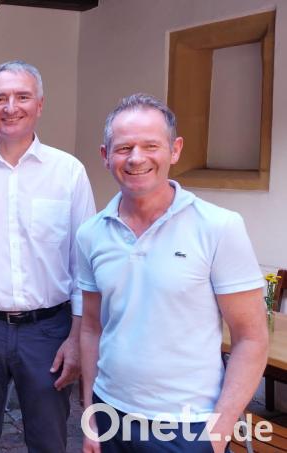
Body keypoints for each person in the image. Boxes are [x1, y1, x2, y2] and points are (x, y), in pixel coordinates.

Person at [78, 93, 268, 452]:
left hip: (189, 424)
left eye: (151, 145)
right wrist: (90, 418)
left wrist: (219, 430)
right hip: (110, 414)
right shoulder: (91, 233)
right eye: (123, 148)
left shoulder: (218, 226)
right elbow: (91, 328)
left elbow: (251, 338)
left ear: (175, 150)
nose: (136, 158)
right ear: (105, 156)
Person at [0, 60, 95, 453]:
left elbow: (85, 266)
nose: (10, 107)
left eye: (22, 96)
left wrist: (77, 338)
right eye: (0, 99)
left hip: (48, 331)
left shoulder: (69, 173)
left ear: (40, 104)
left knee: (48, 440)